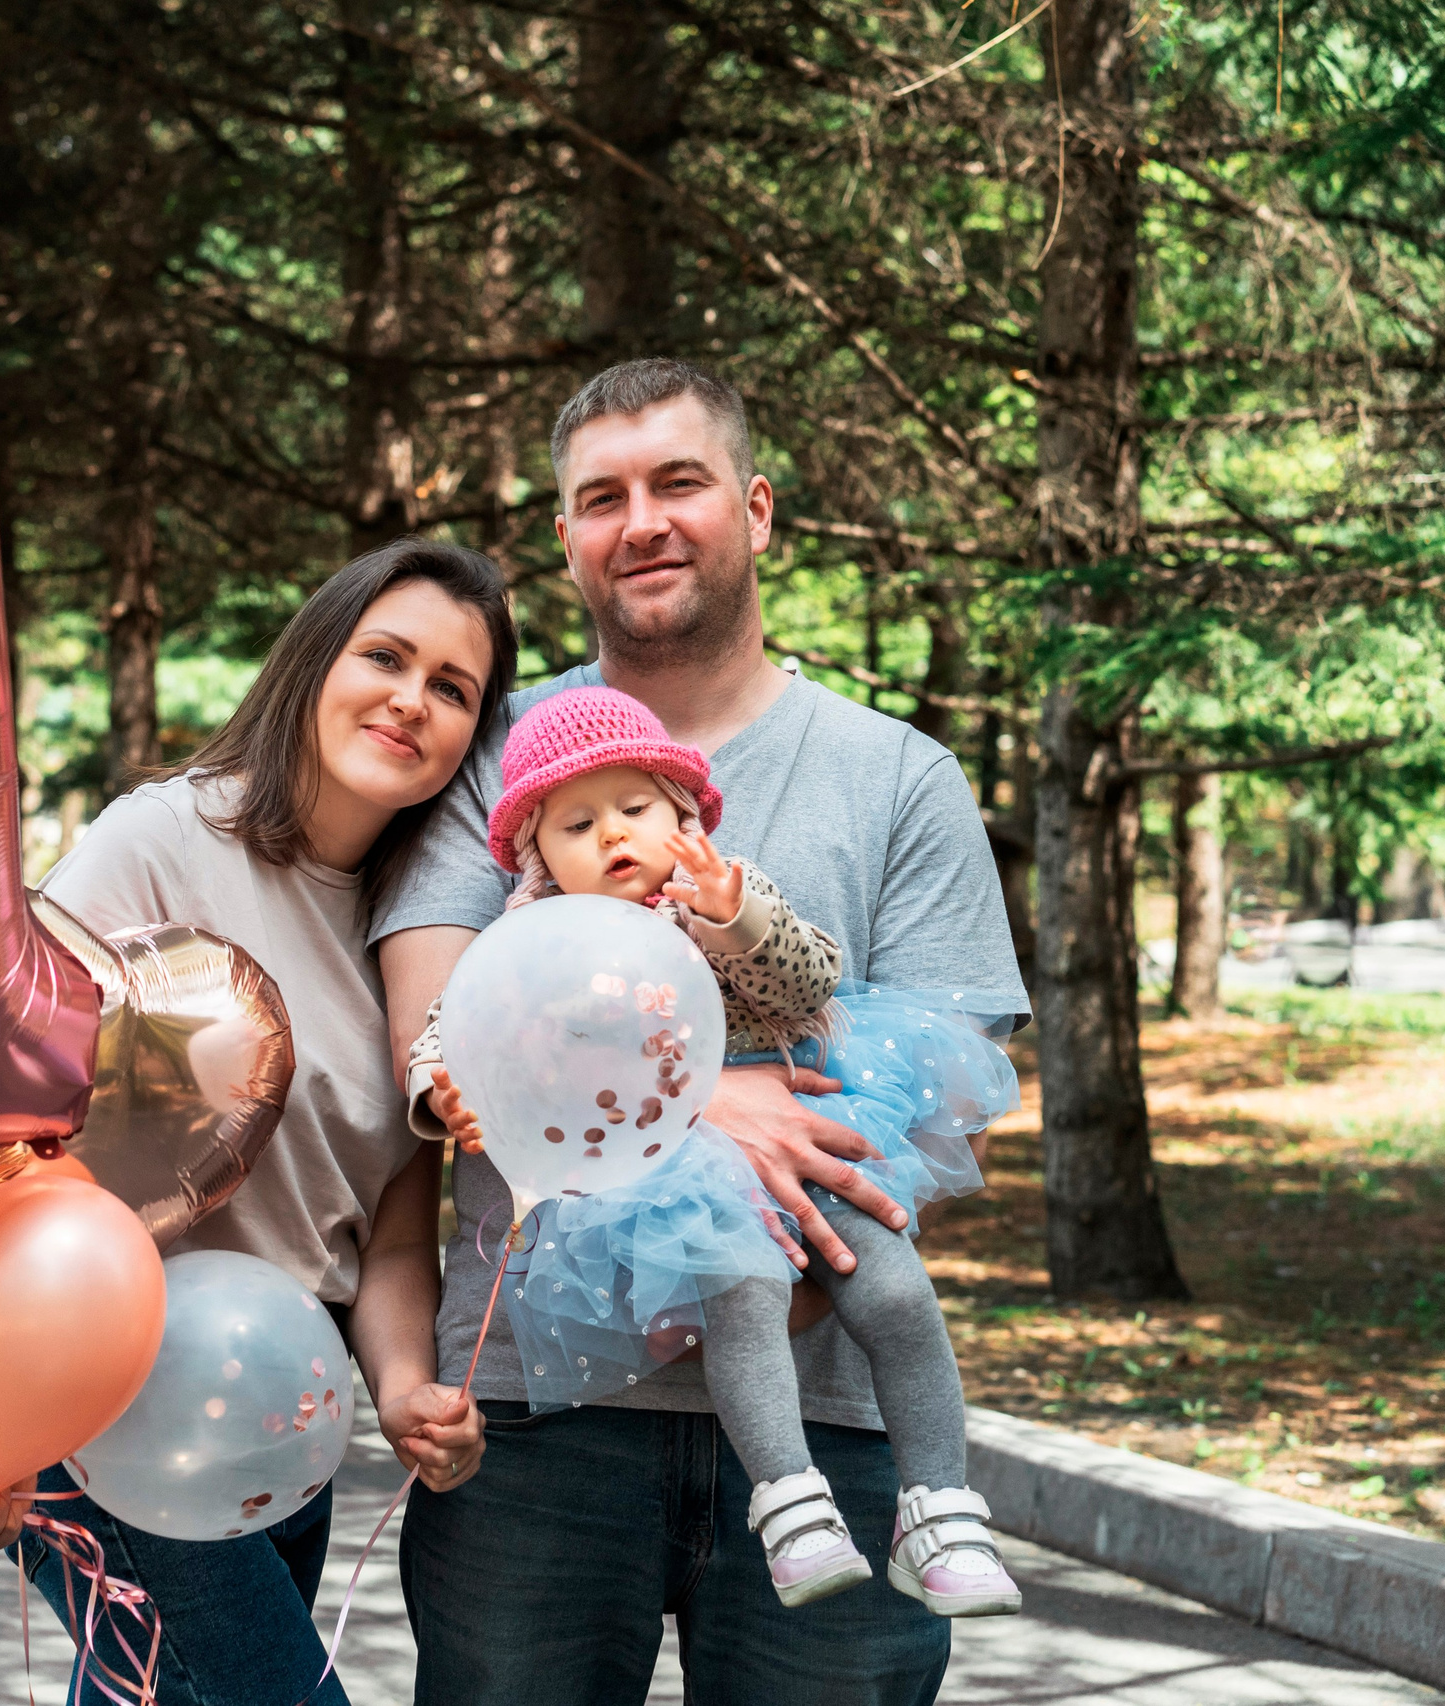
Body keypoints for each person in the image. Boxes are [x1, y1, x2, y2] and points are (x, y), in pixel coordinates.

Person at [374, 359, 1029, 1705]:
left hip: (833, 1406)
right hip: (531, 1422)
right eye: (601, 497)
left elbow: (940, 1088)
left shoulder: (899, 775)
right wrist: (709, 1103)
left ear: (759, 508)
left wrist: (753, 1253)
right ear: (565, 539)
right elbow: (440, 1034)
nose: (643, 520)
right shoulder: (487, 760)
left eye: (680, 481)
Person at [11, 538, 518, 1705]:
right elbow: (0, 1126)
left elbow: (388, 1228)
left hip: (273, 1418)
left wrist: (401, 1389)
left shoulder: (421, 932)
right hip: (99, 1406)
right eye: (385, 656)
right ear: (312, 659)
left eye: (453, 688)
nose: (411, 699)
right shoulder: (160, 841)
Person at [410, 683, 1024, 1617]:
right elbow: (459, 1021)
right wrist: (442, 1086)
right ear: (537, 855)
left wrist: (736, 918)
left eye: (636, 808)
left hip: (803, 1134)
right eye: (576, 825)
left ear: (685, 814)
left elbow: (809, 980)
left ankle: (940, 1507)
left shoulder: (727, 895)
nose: (613, 835)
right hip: (667, 1179)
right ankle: (790, 1503)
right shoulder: (533, 939)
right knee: (745, 1293)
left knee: (893, 1287)